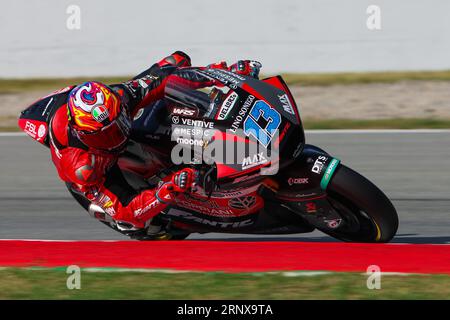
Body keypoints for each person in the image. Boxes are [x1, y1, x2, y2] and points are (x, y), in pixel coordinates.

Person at [49, 51, 262, 239]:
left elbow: (166, 76)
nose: (115, 136)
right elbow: (126, 211)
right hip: (102, 165)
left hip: (110, 116)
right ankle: (157, 218)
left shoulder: (120, 97)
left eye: (117, 125)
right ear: (83, 134)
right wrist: (169, 188)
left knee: (175, 63)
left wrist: (223, 74)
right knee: (133, 223)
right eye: (105, 135)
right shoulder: (82, 168)